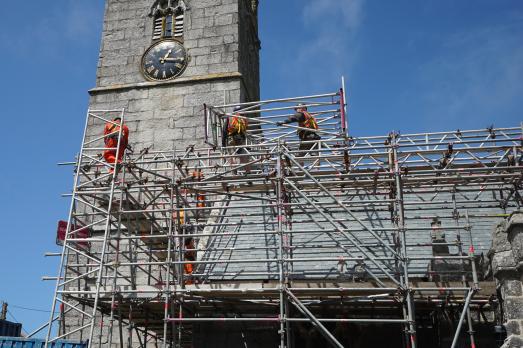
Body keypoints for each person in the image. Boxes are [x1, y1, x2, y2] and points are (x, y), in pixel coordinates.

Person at [222, 106, 250, 173]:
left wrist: (223, 143)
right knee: (244, 157)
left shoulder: (230, 118)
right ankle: (247, 172)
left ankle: (234, 172)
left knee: (231, 156)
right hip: (240, 140)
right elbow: (245, 132)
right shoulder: (243, 119)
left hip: (232, 140)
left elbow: (224, 131)